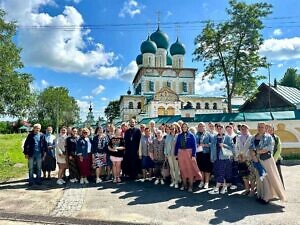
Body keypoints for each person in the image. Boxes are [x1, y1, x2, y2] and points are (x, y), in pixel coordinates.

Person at [250, 122, 287, 204]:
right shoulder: (253, 137)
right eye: (259, 127)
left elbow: (268, 148)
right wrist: (254, 157)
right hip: (257, 160)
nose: (260, 128)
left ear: (265, 128)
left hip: (266, 160)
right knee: (260, 178)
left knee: (268, 178)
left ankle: (267, 197)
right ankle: (261, 195)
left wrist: (256, 152)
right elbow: (251, 148)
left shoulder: (268, 137)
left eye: (262, 127)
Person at [175, 123, 202, 192]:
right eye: (183, 127)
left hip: (189, 153)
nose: (184, 128)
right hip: (181, 153)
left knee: (190, 170)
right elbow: (177, 145)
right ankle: (184, 185)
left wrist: (193, 155)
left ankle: (190, 186)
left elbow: (194, 146)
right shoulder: (179, 135)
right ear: (181, 128)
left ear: (187, 127)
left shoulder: (191, 135)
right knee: (182, 169)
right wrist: (176, 154)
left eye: (185, 127)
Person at [209, 124, 234, 195]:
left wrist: (224, 145)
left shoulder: (228, 137)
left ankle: (217, 189)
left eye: (221, 128)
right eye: (218, 128)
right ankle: (224, 187)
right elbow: (212, 148)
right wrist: (212, 157)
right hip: (216, 158)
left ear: (223, 129)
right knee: (218, 172)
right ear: (216, 129)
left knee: (221, 172)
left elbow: (232, 148)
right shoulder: (214, 137)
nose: (219, 129)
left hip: (224, 158)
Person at [235, 124, 256, 196]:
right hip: (241, 159)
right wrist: (238, 155)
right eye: (242, 129)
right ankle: (247, 189)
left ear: (248, 129)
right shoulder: (238, 137)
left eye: (245, 129)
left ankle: (252, 190)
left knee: (251, 175)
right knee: (244, 175)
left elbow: (252, 147)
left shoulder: (252, 137)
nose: (243, 130)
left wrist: (245, 156)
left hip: (249, 159)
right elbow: (236, 147)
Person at [195, 122, 213, 189]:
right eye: (199, 126)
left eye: (202, 126)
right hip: (199, 153)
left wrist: (205, 145)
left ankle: (207, 182)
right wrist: (196, 145)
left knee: (207, 169)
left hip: (206, 153)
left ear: (205, 127)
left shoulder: (208, 134)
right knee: (201, 168)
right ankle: (202, 181)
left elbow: (212, 144)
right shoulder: (196, 134)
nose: (200, 127)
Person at [164, 124, 180, 188]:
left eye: (173, 129)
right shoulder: (168, 136)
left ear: (175, 129)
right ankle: (173, 181)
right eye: (171, 129)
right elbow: (165, 145)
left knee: (176, 168)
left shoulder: (178, 136)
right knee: (171, 168)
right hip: (169, 154)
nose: (172, 130)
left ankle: (177, 181)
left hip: (176, 155)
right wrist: (165, 154)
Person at [225, 124, 238, 190]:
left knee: (234, 170)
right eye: (227, 130)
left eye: (230, 129)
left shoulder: (236, 136)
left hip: (234, 156)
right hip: (227, 156)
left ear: (232, 128)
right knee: (228, 170)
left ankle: (234, 183)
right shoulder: (225, 137)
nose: (229, 130)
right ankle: (229, 183)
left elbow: (236, 147)